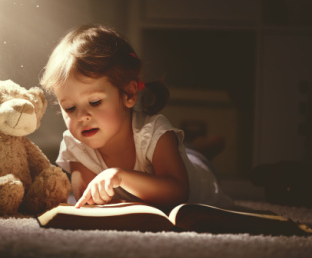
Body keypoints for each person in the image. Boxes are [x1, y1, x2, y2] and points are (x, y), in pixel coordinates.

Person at [40, 24, 231, 210]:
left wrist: (120, 176)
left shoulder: (155, 132)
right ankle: (195, 147)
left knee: (197, 159)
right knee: (188, 151)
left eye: (95, 102)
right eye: (70, 108)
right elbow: (88, 202)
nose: (81, 117)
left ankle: (204, 149)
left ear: (129, 94)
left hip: (201, 175)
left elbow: (177, 191)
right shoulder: (76, 146)